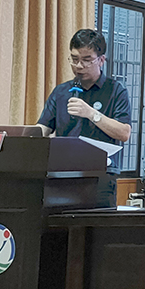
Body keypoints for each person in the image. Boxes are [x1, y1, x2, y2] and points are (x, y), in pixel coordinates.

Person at [37, 29, 132, 205]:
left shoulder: (116, 90)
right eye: (74, 59)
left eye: (87, 60)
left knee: (97, 223)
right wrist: (23, 134)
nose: (79, 66)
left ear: (101, 60)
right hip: (63, 175)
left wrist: (91, 114)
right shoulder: (61, 92)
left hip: (101, 176)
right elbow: (43, 128)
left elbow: (124, 133)